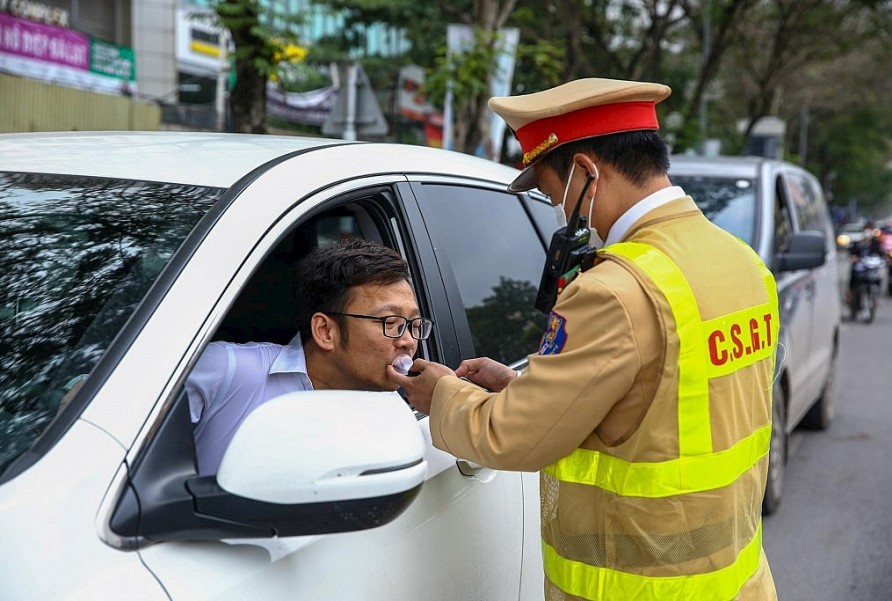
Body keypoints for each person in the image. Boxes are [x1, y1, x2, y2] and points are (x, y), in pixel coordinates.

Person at [387, 78, 780, 600]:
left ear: (588, 173)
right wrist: (518, 390)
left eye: (553, 194)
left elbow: (511, 438)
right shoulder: (741, 262)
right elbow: (666, 408)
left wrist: (442, 395)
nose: (558, 209)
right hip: (735, 581)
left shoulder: (615, 291)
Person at [187, 237, 432, 476]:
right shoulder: (226, 370)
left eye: (414, 324)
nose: (409, 341)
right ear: (325, 331)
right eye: (390, 322)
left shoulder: (394, 413)